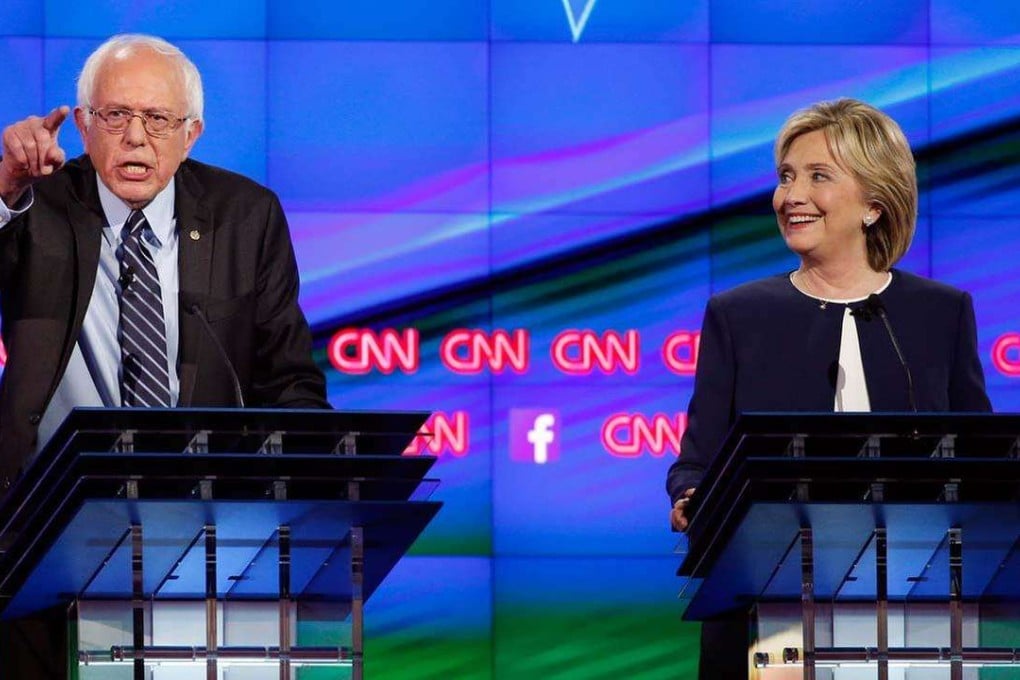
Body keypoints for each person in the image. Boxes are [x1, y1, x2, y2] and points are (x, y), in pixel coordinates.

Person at [0, 34, 329, 677]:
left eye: (158, 119)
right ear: (85, 126)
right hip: (42, 529)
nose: (136, 138)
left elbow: (288, 380)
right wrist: (5, 191)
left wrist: (303, 491)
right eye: (116, 116)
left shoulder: (246, 215)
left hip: (200, 536)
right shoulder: (36, 203)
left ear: (192, 133)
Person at [666, 98, 991, 679]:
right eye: (786, 177)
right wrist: (692, 498)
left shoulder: (939, 313)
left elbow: (982, 461)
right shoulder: (739, 315)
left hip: (915, 602)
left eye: (818, 177)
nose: (792, 196)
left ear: (873, 204)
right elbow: (696, 463)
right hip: (768, 608)